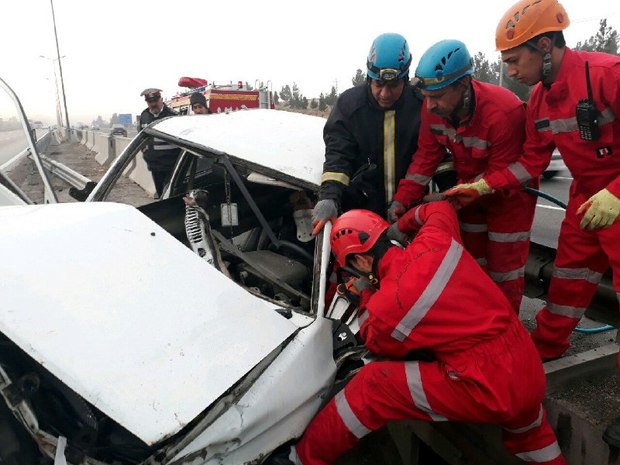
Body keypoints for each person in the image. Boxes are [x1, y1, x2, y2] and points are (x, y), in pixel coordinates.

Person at [267, 201, 566, 465]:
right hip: (526, 365)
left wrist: (367, 293)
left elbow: (375, 339)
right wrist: (403, 224)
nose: (355, 277)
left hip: (487, 387)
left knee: (372, 385)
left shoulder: (391, 306)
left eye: (353, 270)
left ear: (361, 260)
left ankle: (299, 459)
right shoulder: (436, 237)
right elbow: (441, 209)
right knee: (531, 433)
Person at [444, 0, 620, 367]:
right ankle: (545, 348)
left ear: (543, 46)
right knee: (568, 282)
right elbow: (530, 164)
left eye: (513, 60)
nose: (509, 72)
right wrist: (482, 187)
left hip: (615, 198)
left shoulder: (608, 74)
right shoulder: (539, 101)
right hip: (586, 202)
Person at [388, 39, 537, 313]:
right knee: (472, 267)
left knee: (504, 273)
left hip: (509, 200)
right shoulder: (434, 109)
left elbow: (505, 173)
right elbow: (425, 158)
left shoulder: (503, 111)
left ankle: (506, 335)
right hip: (468, 197)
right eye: (426, 96)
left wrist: (450, 196)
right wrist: (402, 199)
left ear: (462, 85)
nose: (429, 105)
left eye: (437, 96)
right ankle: (478, 325)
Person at [311, 32, 426, 235]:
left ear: (406, 80)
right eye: (378, 84)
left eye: (393, 86)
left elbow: (431, 157)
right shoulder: (349, 106)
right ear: (368, 77)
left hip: (409, 214)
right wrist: (329, 197)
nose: (385, 94)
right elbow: (338, 157)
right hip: (360, 213)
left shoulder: (421, 106)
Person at [138, 88, 181, 198]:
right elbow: (141, 138)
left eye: (155, 101)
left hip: (170, 166)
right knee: (161, 194)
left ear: (161, 100)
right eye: (150, 102)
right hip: (154, 166)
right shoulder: (144, 116)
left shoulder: (173, 116)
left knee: (170, 196)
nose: (153, 104)